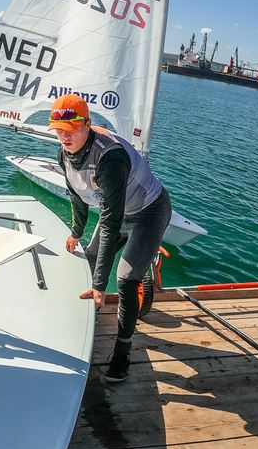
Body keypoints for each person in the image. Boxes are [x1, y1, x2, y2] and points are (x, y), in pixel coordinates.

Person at [47, 93, 172, 384]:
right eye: (58, 131)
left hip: (148, 211)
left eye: (71, 129)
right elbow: (77, 195)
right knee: (87, 260)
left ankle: (123, 352)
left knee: (127, 278)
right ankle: (80, 326)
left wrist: (101, 285)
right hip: (118, 211)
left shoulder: (110, 158)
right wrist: (76, 232)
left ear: (87, 125)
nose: (64, 137)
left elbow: (111, 222)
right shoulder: (65, 153)